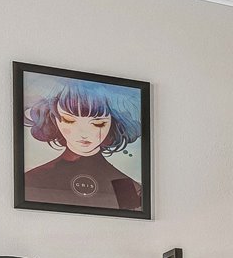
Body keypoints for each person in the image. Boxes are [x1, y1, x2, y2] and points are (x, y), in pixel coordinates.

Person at [21, 78, 144, 211]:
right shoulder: (32, 180)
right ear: (54, 120)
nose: (83, 133)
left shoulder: (127, 188)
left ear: (113, 124)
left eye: (98, 124)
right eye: (69, 121)